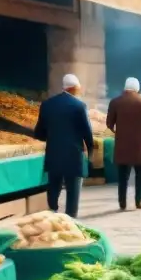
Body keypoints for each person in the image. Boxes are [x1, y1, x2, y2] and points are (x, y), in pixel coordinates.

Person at [34, 74, 94, 218]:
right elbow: (87, 131)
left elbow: (39, 132)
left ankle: (53, 211)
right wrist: (90, 148)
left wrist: (51, 138)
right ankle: (71, 217)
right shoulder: (79, 106)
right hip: (73, 154)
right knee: (73, 189)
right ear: (74, 88)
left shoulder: (47, 104)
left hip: (53, 153)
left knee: (54, 185)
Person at [107, 77, 141, 211]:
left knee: (123, 176)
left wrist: (119, 131)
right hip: (140, 146)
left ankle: (122, 203)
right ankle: (138, 201)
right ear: (137, 88)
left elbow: (109, 124)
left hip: (122, 145)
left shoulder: (115, 102)